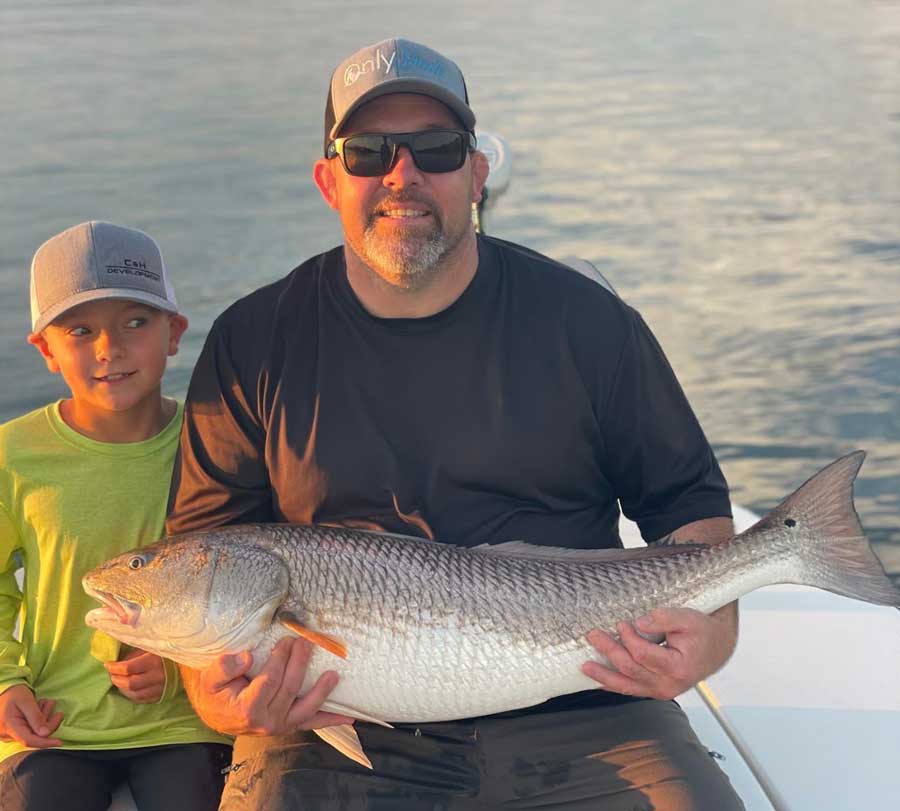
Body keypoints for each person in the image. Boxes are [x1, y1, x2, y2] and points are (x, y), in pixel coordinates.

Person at [167, 38, 745, 810]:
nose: (402, 177)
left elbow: (689, 507)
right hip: (328, 724)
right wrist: (222, 698)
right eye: (368, 151)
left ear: (475, 172)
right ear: (328, 179)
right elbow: (205, 558)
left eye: (436, 149)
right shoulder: (253, 342)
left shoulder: (589, 324)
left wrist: (713, 636)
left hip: (591, 701)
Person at [0, 222, 233, 811]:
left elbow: (246, 588)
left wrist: (181, 664)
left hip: (187, 724)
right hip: (54, 726)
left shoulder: (216, 444)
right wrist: (5, 682)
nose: (110, 349)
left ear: (174, 332)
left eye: (136, 321)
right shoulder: (13, 456)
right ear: (45, 349)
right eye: (80, 330)